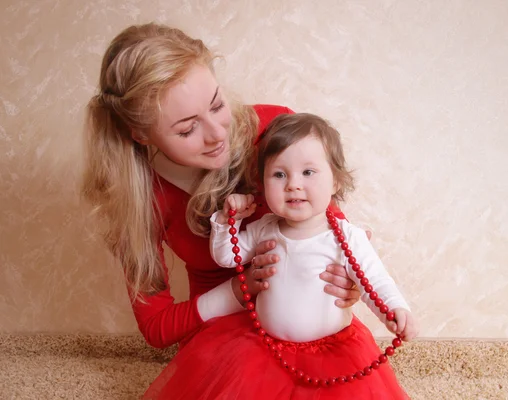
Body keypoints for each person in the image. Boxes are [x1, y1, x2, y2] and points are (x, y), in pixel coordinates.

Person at [81, 21, 360, 386]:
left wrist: (350, 277)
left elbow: (333, 223)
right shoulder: (140, 201)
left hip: (310, 323)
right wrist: (237, 291)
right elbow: (156, 327)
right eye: (186, 129)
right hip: (223, 333)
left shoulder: (274, 129)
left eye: (216, 105)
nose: (217, 134)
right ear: (140, 134)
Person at [143, 113, 418, 399]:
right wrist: (229, 221)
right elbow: (227, 257)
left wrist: (395, 309)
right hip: (264, 346)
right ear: (261, 184)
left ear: (335, 181)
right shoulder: (264, 229)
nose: (293, 184)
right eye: (279, 174)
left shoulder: (347, 237)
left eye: (308, 172)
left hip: (332, 349)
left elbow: (375, 279)